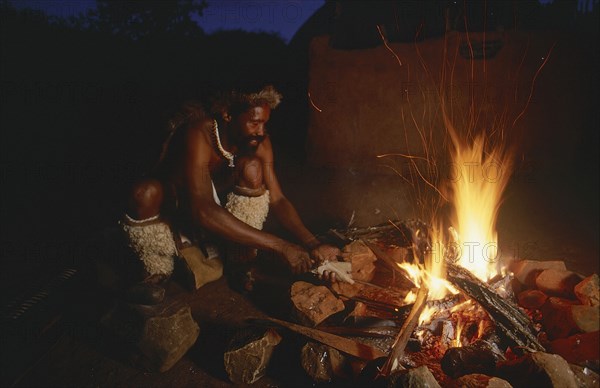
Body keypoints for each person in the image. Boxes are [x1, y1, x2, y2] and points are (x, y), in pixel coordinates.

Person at [120, 85, 340, 298]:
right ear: (227, 115)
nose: (261, 131)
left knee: (252, 168)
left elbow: (278, 198)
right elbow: (202, 209)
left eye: (265, 123)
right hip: (178, 206)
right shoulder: (199, 132)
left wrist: (312, 244)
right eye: (254, 123)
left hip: (218, 214)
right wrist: (280, 246)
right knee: (144, 193)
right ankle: (156, 274)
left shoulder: (259, 141)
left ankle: (241, 262)